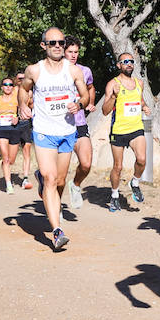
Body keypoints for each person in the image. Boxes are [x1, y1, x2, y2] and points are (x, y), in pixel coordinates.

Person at [21, 29, 90, 251]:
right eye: (53, 43)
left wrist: (79, 104)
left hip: (67, 132)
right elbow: (23, 90)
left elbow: (86, 94)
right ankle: (57, 231)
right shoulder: (34, 70)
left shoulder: (73, 71)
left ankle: (45, 187)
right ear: (44, 45)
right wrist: (23, 105)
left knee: (60, 181)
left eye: (61, 42)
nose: (58, 46)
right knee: (51, 179)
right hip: (43, 131)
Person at [100, 52, 151, 211]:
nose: (129, 64)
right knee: (118, 167)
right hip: (119, 130)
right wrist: (114, 97)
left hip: (136, 128)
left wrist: (144, 107)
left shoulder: (139, 83)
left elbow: (140, 100)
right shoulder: (113, 84)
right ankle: (114, 195)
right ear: (119, 65)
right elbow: (104, 111)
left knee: (142, 159)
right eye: (125, 61)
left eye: (131, 61)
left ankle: (134, 182)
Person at [64, 39, 97, 208]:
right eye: (70, 51)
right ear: (63, 52)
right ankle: (55, 206)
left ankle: (75, 185)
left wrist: (89, 102)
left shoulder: (85, 71)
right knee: (57, 174)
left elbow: (90, 87)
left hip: (79, 123)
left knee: (86, 163)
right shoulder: (55, 72)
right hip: (60, 125)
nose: (73, 55)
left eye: (76, 52)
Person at [0, 77, 23, 192]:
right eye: (5, 84)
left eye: (10, 85)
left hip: (15, 129)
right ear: (2, 87)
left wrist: (18, 117)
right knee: (6, 159)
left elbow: (26, 110)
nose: (8, 86)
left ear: (13, 87)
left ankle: (2, 155)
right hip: (2, 129)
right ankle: (9, 185)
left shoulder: (17, 99)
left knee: (11, 160)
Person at [14, 71, 36, 190]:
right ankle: (3, 152)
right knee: (10, 153)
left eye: (24, 78)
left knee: (27, 150)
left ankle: (26, 178)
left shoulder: (30, 93)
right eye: (19, 78)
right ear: (15, 80)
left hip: (25, 124)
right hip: (12, 125)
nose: (21, 80)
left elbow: (32, 105)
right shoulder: (11, 92)